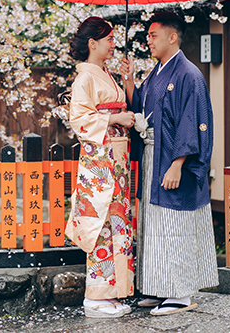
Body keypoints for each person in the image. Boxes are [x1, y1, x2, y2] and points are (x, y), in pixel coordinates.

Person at [122, 11, 219, 316]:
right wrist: (129, 83)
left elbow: (192, 123)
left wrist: (178, 164)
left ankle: (180, 293)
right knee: (155, 225)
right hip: (154, 155)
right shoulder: (156, 72)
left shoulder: (188, 74)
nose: (148, 40)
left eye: (153, 35)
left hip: (175, 160)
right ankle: (159, 287)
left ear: (172, 37)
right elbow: (142, 109)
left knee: (175, 224)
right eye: (148, 35)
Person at [65, 16, 135, 319]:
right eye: (107, 38)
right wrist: (116, 119)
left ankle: (115, 292)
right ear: (92, 43)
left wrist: (128, 80)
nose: (112, 43)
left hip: (116, 159)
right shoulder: (86, 78)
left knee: (118, 221)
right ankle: (95, 297)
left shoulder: (105, 74)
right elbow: (80, 120)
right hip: (101, 161)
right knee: (103, 223)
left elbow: (123, 106)